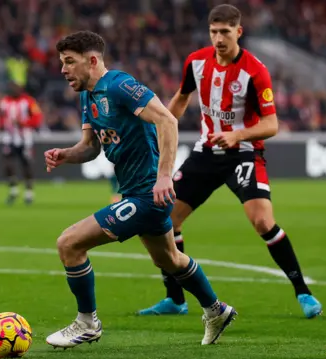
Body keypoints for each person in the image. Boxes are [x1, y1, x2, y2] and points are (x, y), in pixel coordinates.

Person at [43, 30, 236, 349]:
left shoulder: (120, 86)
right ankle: (216, 310)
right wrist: (66, 155)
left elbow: (167, 122)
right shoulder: (87, 96)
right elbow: (90, 148)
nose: (63, 70)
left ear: (92, 61)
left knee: (69, 244)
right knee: (170, 260)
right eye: (62, 62)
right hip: (135, 192)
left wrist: (164, 177)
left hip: (148, 194)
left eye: (69, 62)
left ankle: (86, 323)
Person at [137, 4, 322, 319]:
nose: (219, 38)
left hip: (244, 154)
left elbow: (272, 124)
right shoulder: (196, 62)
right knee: (166, 219)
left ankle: (303, 292)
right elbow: (181, 98)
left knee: (263, 222)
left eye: (225, 32)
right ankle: (175, 299)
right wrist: (162, 128)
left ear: (239, 32)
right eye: (214, 32)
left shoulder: (254, 70)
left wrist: (239, 136)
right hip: (206, 153)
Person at [0, 82, 43, 205]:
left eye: (16, 88)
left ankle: (29, 192)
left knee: (26, 164)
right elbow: (1, 117)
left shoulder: (28, 101)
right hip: (9, 138)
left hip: (24, 138)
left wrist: (24, 123)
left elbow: (37, 117)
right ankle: (13, 189)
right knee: (7, 163)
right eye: (11, 88)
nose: (13, 90)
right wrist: (2, 124)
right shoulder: (4, 102)